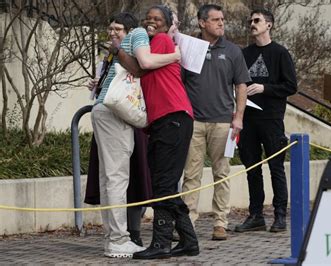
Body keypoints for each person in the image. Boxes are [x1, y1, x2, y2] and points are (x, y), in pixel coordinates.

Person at [91, 12, 180, 258]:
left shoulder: (117, 48)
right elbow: (144, 65)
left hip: (102, 110)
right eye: (110, 28)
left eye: (117, 28)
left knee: (108, 178)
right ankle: (119, 240)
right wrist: (175, 55)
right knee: (117, 178)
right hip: (114, 114)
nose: (112, 33)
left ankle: (112, 239)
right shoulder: (137, 34)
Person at [125, 5, 199, 260]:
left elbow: (140, 66)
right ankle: (188, 241)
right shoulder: (158, 43)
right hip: (163, 122)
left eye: (158, 19)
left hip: (173, 119)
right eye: (149, 18)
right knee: (163, 184)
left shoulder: (162, 40)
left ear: (168, 25)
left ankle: (161, 243)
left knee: (164, 185)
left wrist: (117, 49)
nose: (151, 21)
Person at [181, 4, 249, 241]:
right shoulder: (189, 48)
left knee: (222, 174)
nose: (221, 23)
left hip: (222, 122)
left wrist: (238, 117)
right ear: (202, 23)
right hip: (194, 123)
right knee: (191, 175)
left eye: (222, 19)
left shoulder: (232, 51)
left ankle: (220, 223)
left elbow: (241, 85)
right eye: (215, 20)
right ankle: (187, 223)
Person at [233, 9, 297, 233]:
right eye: (250, 20)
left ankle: (280, 215)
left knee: (276, 168)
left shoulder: (280, 53)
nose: (252, 23)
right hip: (248, 118)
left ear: (269, 25)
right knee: (252, 168)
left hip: (271, 119)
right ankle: (256, 215)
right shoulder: (244, 53)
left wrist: (264, 88)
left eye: (257, 20)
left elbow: (291, 86)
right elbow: (236, 81)